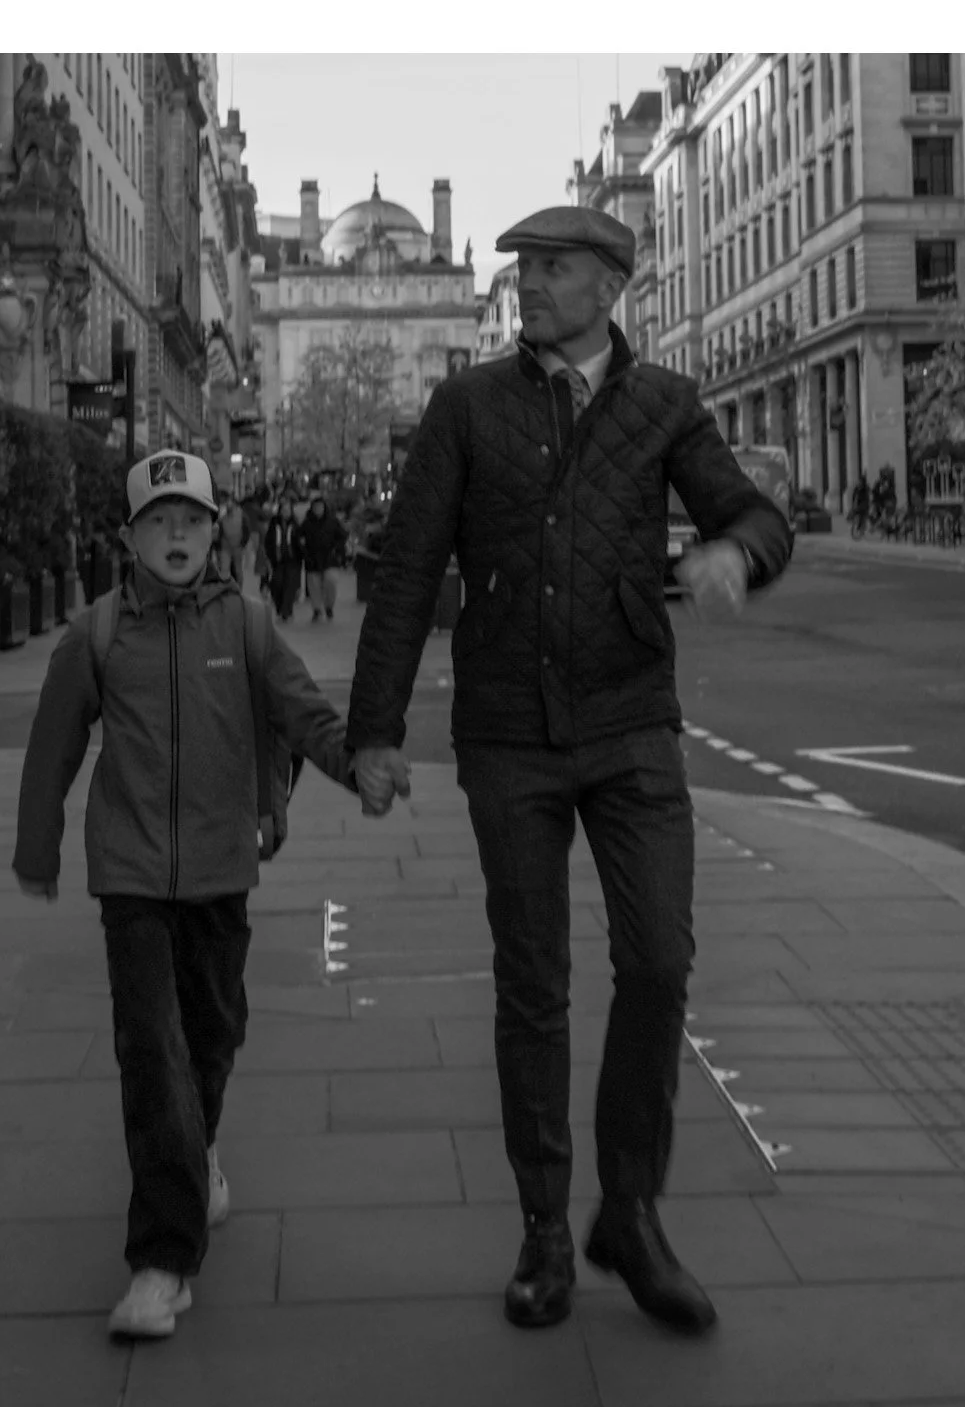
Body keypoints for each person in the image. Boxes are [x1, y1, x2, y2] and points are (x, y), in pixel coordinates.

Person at [346, 205, 794, 1336]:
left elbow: (752, 511)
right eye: (524, 268)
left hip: (632, 723)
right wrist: (373, 732)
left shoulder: (662, 404)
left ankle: (629, 1212)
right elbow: (408, 570)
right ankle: (545, 1226)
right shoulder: (466, 407)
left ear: (608, 287)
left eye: (551, 267)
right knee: (532, 983)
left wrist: (737, 553)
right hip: (508, 732)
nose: (530, 284)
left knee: (658, 960)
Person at [13, 450, 361, 1340]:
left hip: (218, 869)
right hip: (130, 875)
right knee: (150, 1050)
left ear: (217, 533)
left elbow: (302, 713)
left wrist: (358, 765)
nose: (177, 536)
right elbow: (53, 747)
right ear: (129, 538)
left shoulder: (246, 626)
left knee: (211, 1031)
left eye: (192, 521)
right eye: (159, 521)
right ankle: (161, 1262)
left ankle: (198, 1146)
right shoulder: (95, 634)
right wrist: (37, 848)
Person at [298, 494, 347, 622]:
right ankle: (317, 609)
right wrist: (304, 552)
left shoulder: (332, 521)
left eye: (320, 506)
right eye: (315, 507)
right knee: (314, 585)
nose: (318, 509)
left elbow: (342, 536)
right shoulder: (307, 523)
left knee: (330, 581)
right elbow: (299, 537)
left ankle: (329, 606)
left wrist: (337, 549)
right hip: (312, 559)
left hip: (330, 558)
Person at [261, 496, 304, 622]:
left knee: (290, 586)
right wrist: (269, 556)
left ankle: (287, 611)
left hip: (292, 560)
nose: (286, 513)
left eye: (288, 510)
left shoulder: (295, 525)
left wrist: (302, 554)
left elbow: (300, 542)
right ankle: (280, 608)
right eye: (283, 510)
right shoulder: (274, 525)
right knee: (277, 584)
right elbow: (268, 541)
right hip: (277, 561)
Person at [214, 483, 248, 594]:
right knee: (225, 571)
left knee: (237, 571)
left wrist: (243, 544)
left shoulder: (241, 514)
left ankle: (238, 591)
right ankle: (226, 592)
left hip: (237, 546)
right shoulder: (222, 515)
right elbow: (218, 531)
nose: (228, 504)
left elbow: (246, 529)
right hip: (226, 547)